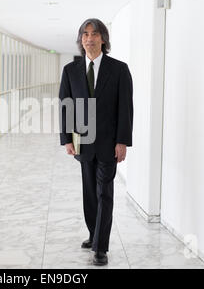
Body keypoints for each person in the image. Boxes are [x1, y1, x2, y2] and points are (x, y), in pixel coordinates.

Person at [59, 18, 133, 266]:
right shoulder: (71, 70)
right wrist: (66, 139)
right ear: (81, 40)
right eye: (85, 34)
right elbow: (66, 106)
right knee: (89, 193)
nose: (89, 38)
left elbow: (125, 108)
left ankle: (101, 248)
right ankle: (94, 234)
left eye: (94, 34)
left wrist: (122, 141)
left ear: (103, 39)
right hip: (82, 142)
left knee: (104, 193)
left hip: (109, 143)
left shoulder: (119, 69)